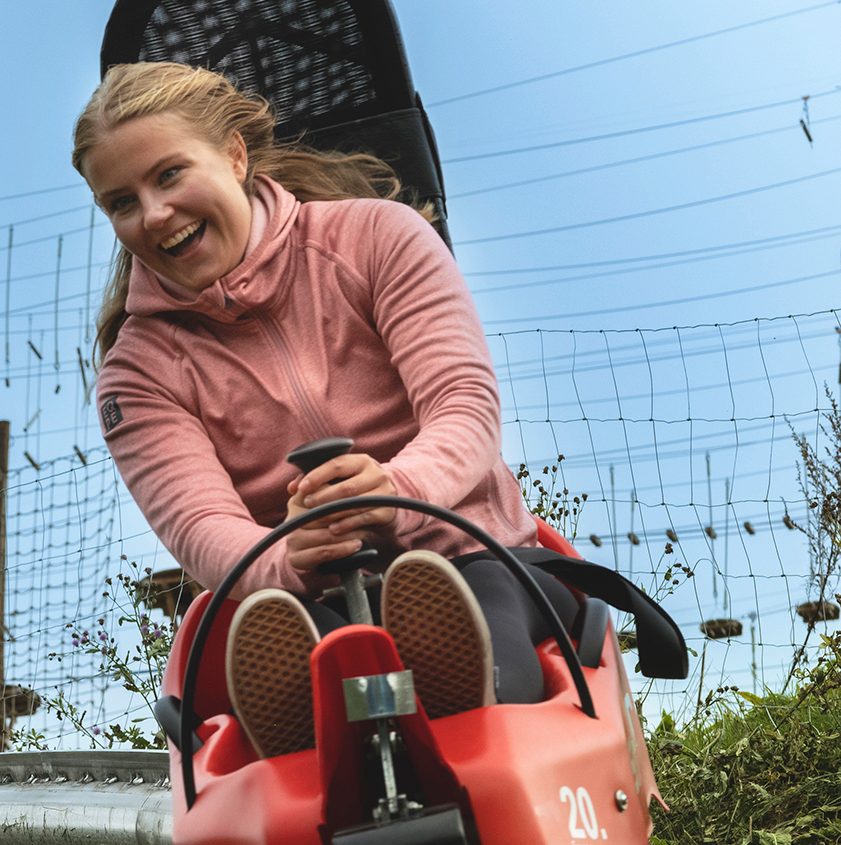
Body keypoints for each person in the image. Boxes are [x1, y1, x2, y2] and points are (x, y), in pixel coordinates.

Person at [78, 61, 583, 759]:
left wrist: (399, 494)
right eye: (121, 202)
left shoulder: (381, 237)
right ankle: (311, 737)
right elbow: (202, 528)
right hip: (298, 604)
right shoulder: (135, 374)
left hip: (472, 554)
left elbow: (463, 408)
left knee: (484, 628)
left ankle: (467, 765)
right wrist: (286, 556)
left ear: (234, 153)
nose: (153, 215)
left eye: (168, 175)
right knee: (302, 656)